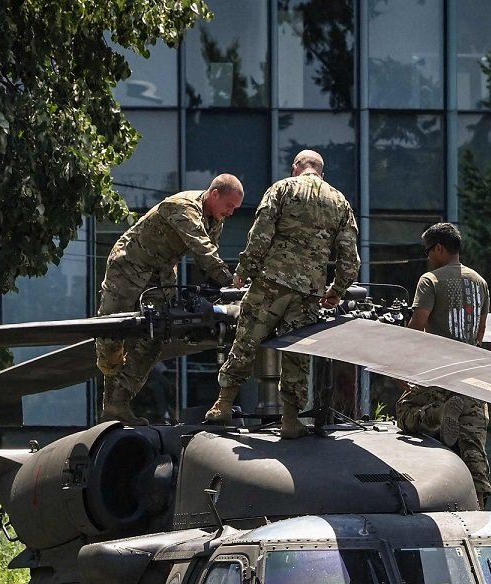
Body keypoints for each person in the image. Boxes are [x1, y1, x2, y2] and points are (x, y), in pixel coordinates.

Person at [205, 150, 359, 439]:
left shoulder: (282, 188)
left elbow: (260, 233)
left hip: (272, 283)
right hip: (309, 293)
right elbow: (350, 258)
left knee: (246, 339)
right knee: (297, 354)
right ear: (321, 173)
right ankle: (290, 420)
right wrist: (336, 290)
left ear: (295, 168)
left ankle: (223, 405)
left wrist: (245, 270)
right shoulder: (340, 201)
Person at [95, 175, 245, 426]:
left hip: (160, 273)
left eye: (236, 210)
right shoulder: (183, 206)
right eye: (229, 206)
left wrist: (225, 292)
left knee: (156, 333)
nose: (231, 213)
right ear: (215, 194)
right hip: (130, 264)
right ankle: (109, 404)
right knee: (112, 334)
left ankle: (118, 404)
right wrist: (232, 285)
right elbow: (203, 251)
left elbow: (209, 258)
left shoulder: (214, 219)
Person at [394, 222, 491, 508]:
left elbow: (418, 327)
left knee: (405, 412)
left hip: (440, 374)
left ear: (439, 248)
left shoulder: (430, 280)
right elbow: (480, 333)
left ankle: (436, 414)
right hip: (472, 379)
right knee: (474, 447)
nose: (427, 257)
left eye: (428, 251)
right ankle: (480, 503)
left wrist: (404, 369)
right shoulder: (480, 282)